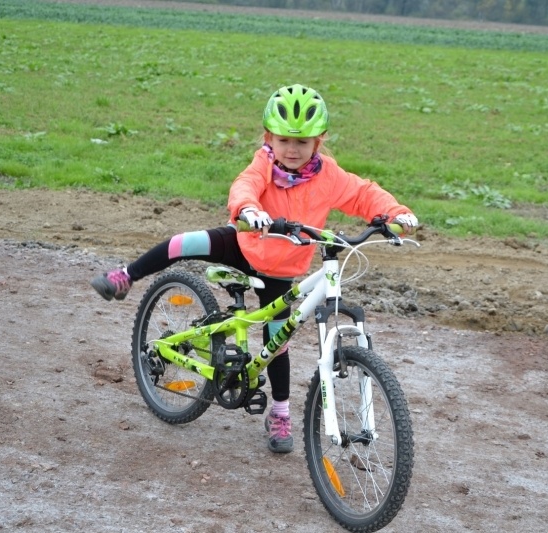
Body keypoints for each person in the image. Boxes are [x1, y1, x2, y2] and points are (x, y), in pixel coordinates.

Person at [91, 84, 418, 453]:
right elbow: (245, 185)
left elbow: (363, 193)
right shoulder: (264, 163)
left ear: (319, 141)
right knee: (184, 243)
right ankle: (126, 276)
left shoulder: (329, 176)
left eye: (303, 142)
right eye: (283, 141)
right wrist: (249, 210)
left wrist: (396, 213)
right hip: (244, 244)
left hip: (280, 271)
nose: (292, 150)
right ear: (269, 138)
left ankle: (279, 414)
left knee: (279, 342)